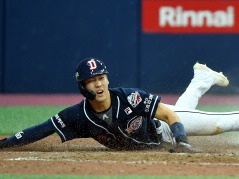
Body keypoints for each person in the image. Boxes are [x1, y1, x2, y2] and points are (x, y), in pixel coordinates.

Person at [0, 58, 234, 153]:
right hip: (155, 143)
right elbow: (43, 129)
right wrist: (6, 143)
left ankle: (201, 80)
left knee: (219, 124)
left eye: (101, 78)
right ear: (83, 87)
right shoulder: (77, 116)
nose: (98, 84)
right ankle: (201, 79)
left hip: (164, 127)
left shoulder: (130, 97)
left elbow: (169, 114)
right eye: (91, 81)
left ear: (108, 80)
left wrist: (181, 140)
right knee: (191, 110)